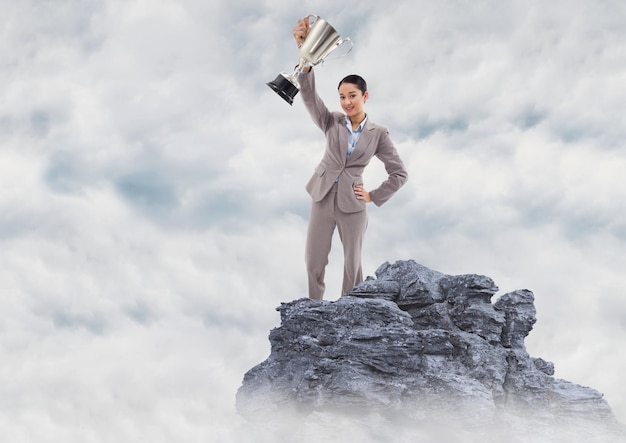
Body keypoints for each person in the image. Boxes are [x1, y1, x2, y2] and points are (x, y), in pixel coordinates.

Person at [293, 18, 408, 300]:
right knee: (314, 262)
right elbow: (309, 98)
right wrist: (305, 59)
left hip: (352, 204)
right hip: (322, 196)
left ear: (365, 96)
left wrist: (372, 195)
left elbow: (399, 174)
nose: (346, 102)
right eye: (342, 96)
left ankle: (350, 315)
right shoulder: (331, 121)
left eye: (352, 95)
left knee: (352, 266)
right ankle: (313, 312)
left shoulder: (378, 133)